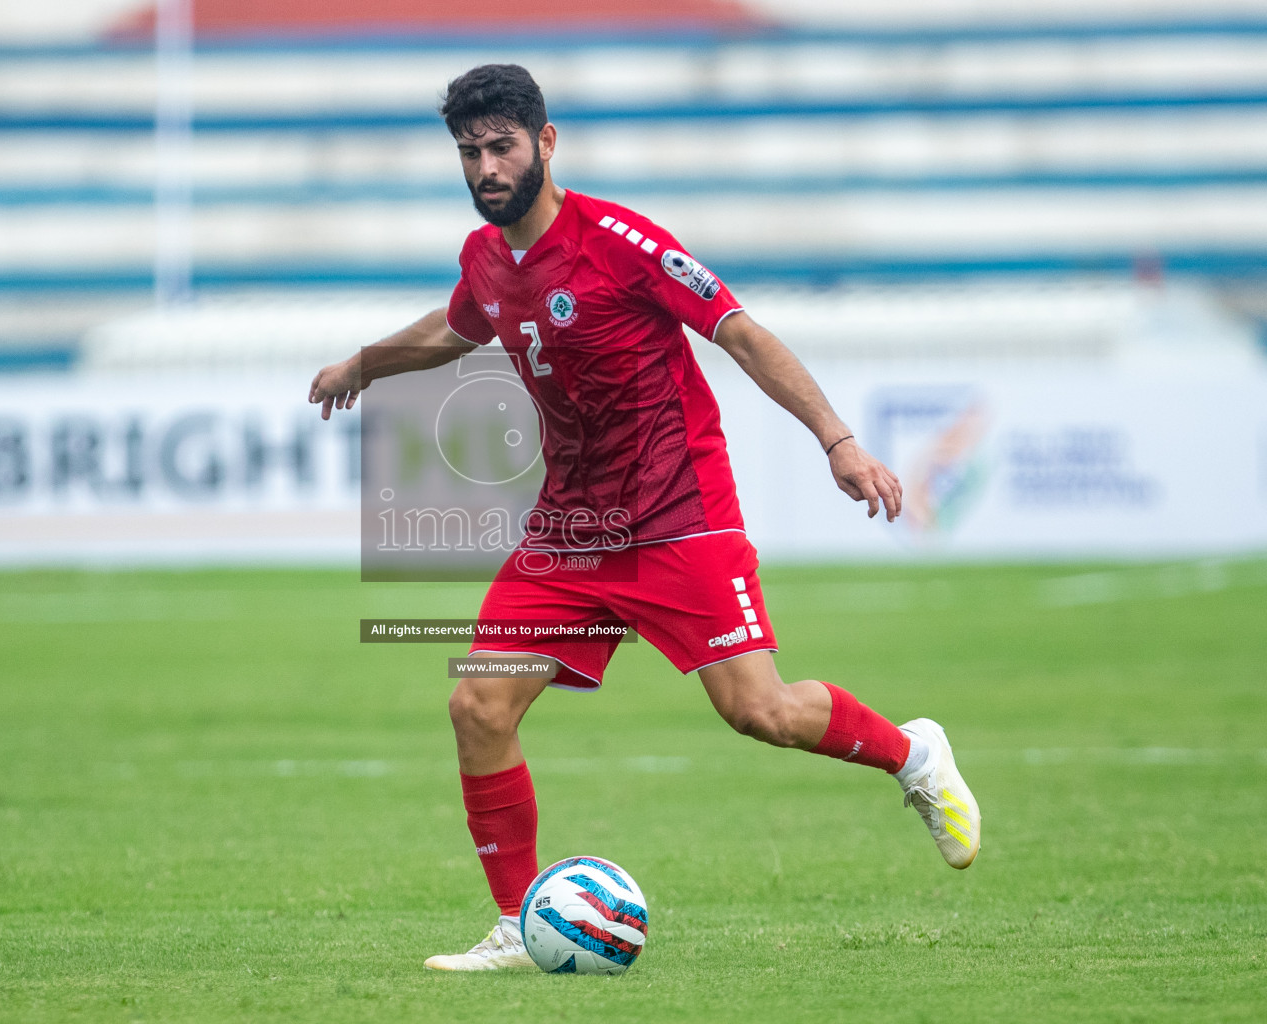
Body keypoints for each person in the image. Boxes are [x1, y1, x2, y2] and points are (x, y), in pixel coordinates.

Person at [308, 64, 980, 972]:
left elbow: (739, 330)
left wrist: (838, 441)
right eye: (469, 153)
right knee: (477, 705)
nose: (485, 169)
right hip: (569, 532)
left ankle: (913, 756)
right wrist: (364, 363)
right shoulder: (487, 259)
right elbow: (456, 328)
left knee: (763, 713)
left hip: (678, 516)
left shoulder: (621, 242)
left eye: (501, 147)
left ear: (546, 144)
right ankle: (517, 923)